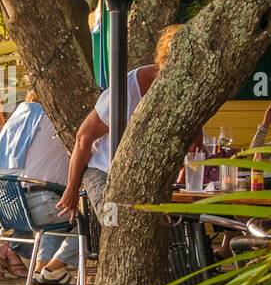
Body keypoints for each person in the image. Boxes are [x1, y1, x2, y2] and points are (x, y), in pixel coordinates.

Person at [57, 24, 182, 221]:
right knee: (114, 222)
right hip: (102, 169)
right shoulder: (127, 89)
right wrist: (71, 190)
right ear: (166, 61)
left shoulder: (186, 92)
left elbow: (195, 145)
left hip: (141, 175)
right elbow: (83, 138)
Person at [0, 91, 77, 284]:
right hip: (43, 204)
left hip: (12, 209)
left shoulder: (15, 122)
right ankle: (55, 265)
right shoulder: (55, 120)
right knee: (94, 220)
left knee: (59, 211)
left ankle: (42, 270)